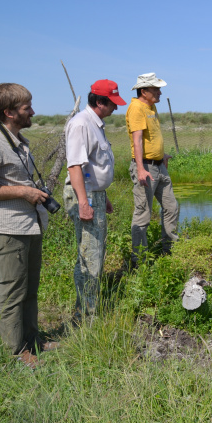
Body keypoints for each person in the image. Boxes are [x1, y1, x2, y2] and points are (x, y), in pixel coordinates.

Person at [0, 83, 56, 367]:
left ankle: (32, 340)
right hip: (9, 230)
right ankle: (15, 352)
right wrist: (23, 192)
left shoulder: (16, 140)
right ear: (8, 112)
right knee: (11, 290)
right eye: (26, 107)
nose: (32, 111)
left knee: (29, 288)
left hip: (29, 226)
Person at [63, 80, 126, 322]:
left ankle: (87, 309)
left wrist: (103, 195)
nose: (115, 109)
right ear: (99, 102)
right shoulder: (81, 124)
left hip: (93, 194)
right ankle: (86, 316)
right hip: (85, 195)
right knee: (90, 256)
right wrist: (84, 202)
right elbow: (75, 166)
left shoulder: (95, 124)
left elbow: (93, 166)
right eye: (112, 104)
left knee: (95, 253)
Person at [126, 72, 179, 267]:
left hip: (159, 166)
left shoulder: (151, 107)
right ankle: (139, 261)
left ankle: (169, 252)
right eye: (156, 89)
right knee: (143, 213)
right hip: (146, 168)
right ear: (144, 91)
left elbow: (152, 137)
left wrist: (161, 155)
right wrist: (140, 168)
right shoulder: (136, 108)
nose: (159, 92)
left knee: (171, 207)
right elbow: (137, 140)